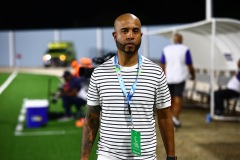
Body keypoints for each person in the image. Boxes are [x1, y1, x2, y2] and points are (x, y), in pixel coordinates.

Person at [80, 13, 176, 160]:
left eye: (135, 31)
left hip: (145, 156)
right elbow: (92, 118)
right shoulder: (99, 74)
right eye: (124, 31)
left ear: (141, 35)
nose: (130, 35)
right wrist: (84, 157)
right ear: (115, 35)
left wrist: (171, 157)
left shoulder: (156, 73)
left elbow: (164, 117)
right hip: (108, 156)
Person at [160, 33, 195, 128]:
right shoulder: (185, 49)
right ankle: (175, 118)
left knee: (169, 98)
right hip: (180, 77)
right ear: (181, 40)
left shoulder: (166, 49)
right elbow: (190, 65)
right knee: (178, 97)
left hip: (168, 78)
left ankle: (169, 117)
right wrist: (193, 75)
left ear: (173, 40)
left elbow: (162, 65)